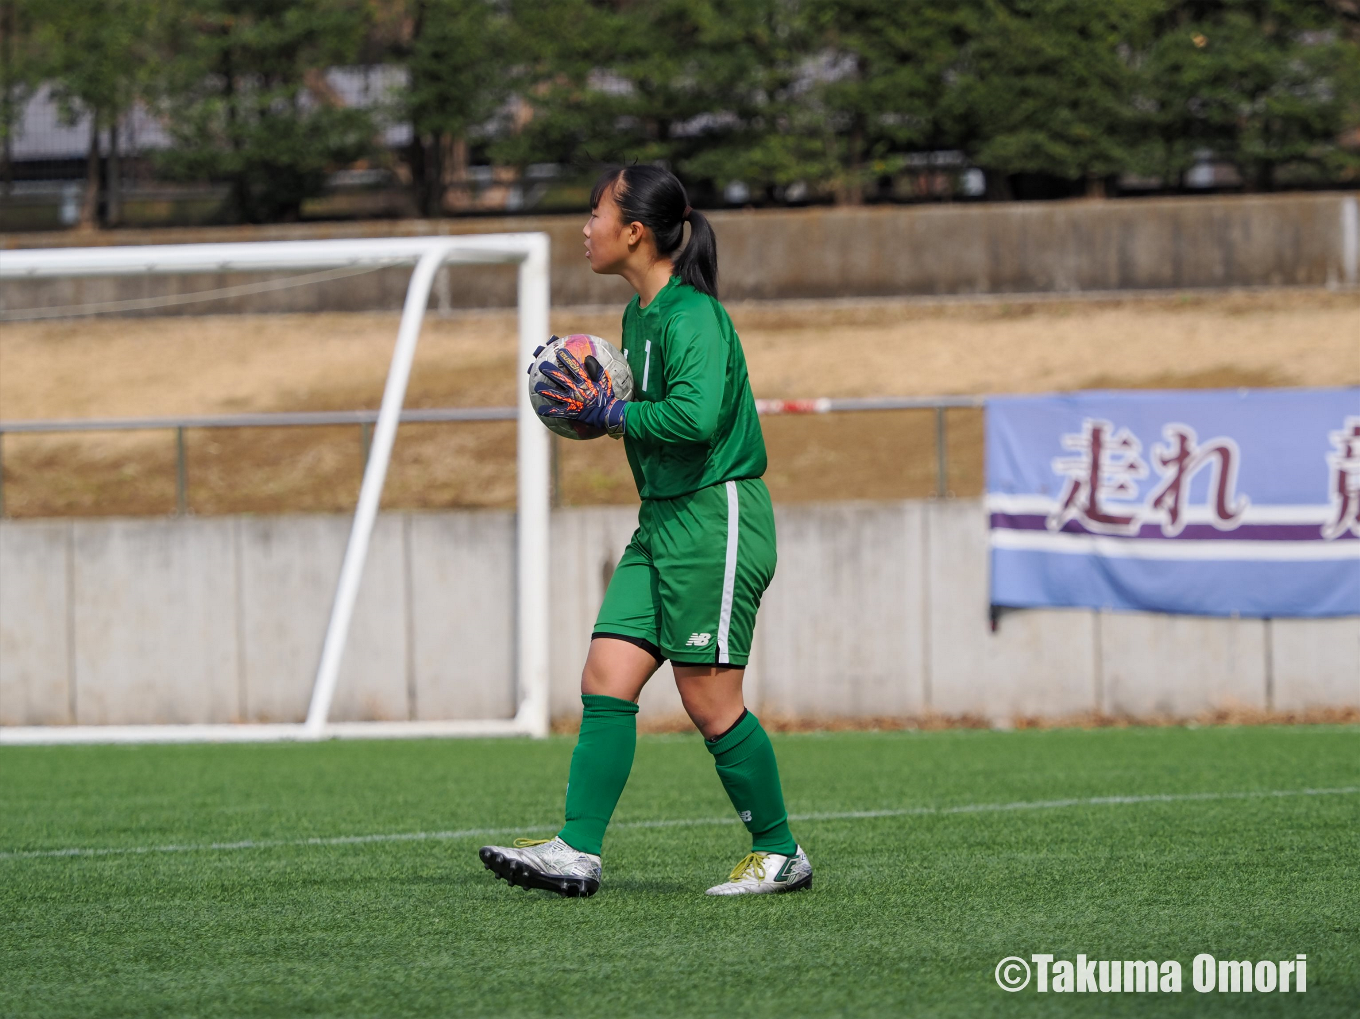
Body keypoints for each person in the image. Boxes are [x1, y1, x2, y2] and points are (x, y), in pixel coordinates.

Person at [478, 165, 810, 898]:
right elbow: (643, 418)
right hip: (661, 521)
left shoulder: (694, 316)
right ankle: (577, 848)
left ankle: (780, 850)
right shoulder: (636, 319)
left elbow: (693, 421)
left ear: (635, 230)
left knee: (710, 702)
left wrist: (612, 414)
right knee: (606, 675)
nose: (586, 227)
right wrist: (594, 410)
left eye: (594, 212)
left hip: (713, 518)